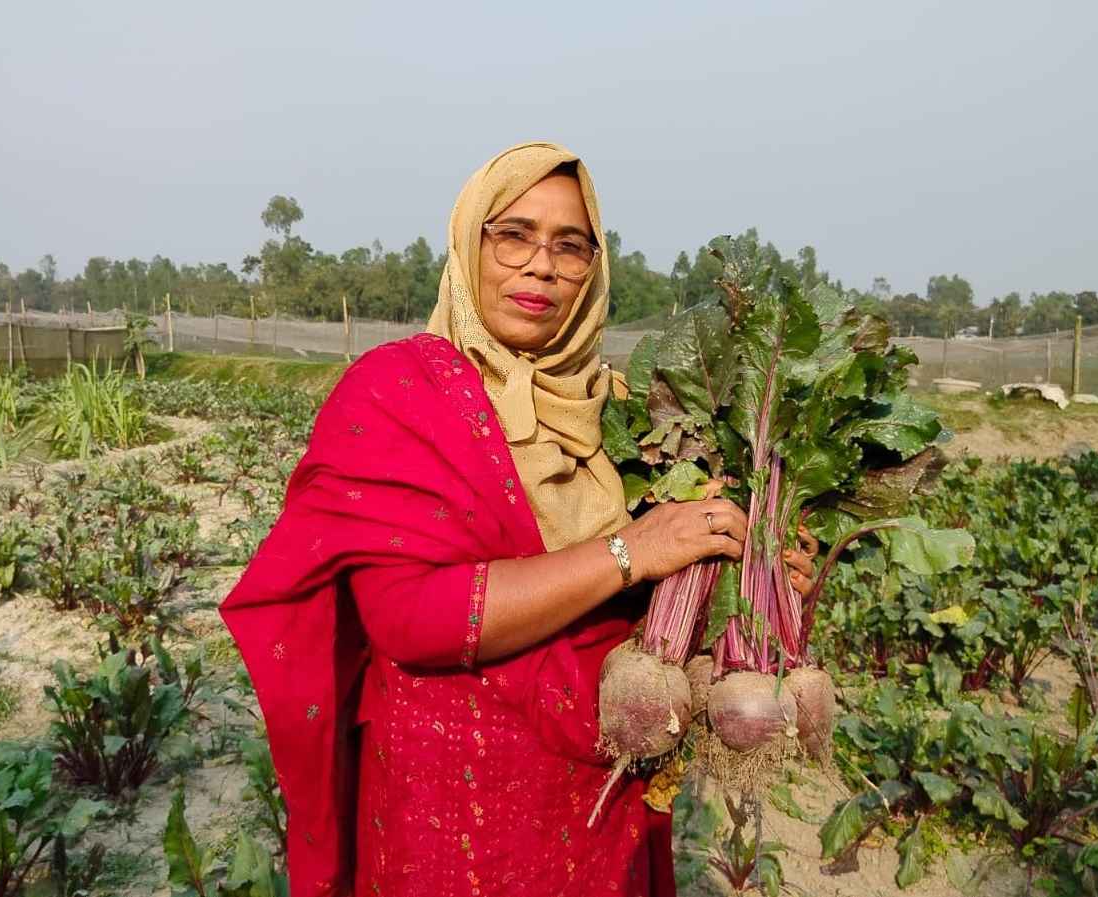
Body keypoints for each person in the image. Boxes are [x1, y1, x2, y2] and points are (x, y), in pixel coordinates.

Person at [219, 141, 811, 897]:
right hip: (450, 810)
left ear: (594, 268)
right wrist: (630, 549)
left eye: (570, 246)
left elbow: (655, 611)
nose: (541, 265)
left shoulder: (630, 412)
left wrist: (747, 576)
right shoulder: (395, 392)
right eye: (515, 235)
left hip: (602, 804)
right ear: (471, 242)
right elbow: (408, 618)